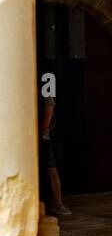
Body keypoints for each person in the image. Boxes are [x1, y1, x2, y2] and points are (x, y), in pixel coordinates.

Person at [39, 83, 71, 217]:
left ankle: (59, 204)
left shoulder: (45, 95)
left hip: (43, 139)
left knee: (52, 170)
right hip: (33, 138)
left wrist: (40, 130)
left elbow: (49, 113)